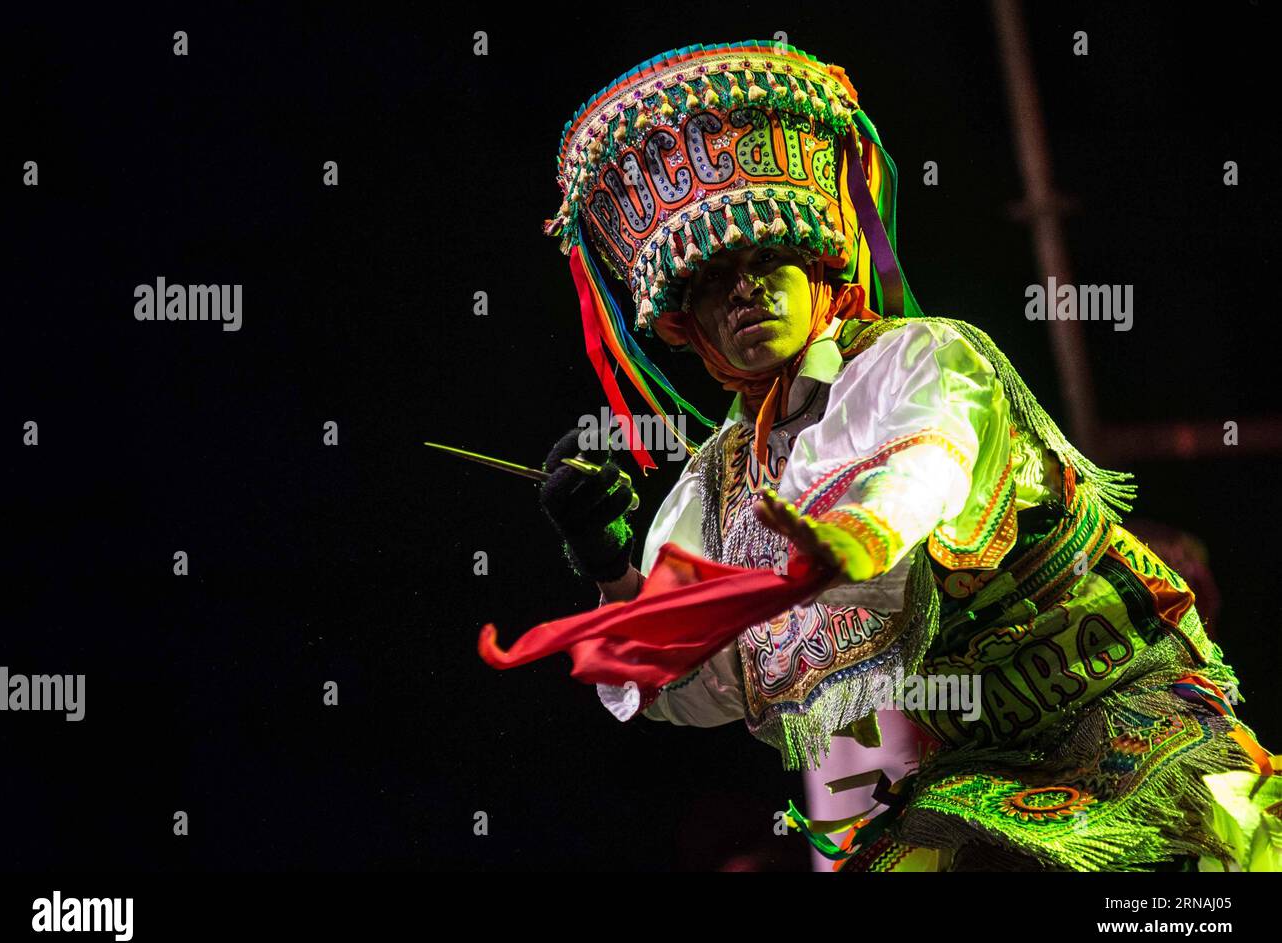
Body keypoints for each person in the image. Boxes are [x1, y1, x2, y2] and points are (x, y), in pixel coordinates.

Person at [490, 39, 1282, 871]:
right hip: (976, 764)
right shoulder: (718, 485)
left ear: (819, 269)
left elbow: (925, 469)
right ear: (688, 324)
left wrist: (853, 542)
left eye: (768, 263)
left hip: (1118, 703)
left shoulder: (917, 358)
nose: (747, 291)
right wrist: (609, 562)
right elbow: (695, 679)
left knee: (1223, 859)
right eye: (717, 282)